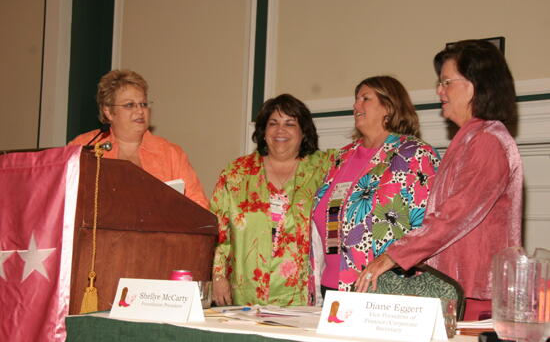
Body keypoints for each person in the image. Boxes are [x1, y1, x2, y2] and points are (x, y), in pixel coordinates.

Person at [358, 40, 523, 321]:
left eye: (447, 82)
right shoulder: (471, 138)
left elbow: (454, 215)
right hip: (457, 290)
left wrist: (394, 255)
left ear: (475, 84)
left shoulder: (487, 141)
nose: (439, 90)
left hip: (474, 295)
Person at [310, 76, 440, 301]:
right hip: (330, 287)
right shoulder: (342, 156)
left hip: (384, 290)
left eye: (365, 98)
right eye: (356, 99)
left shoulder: (415, 154)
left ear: (388, 106)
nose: (355, 105)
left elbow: (430, 226)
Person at [211, 94, 334, 306]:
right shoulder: (236, 173)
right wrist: (217, 275)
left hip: (301, 295)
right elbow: (218, 230)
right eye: (273, 123)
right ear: (263, 131)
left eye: (290, 124)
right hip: (245, 292)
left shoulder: (325, 168)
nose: (280, 130)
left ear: (303, 132)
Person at [69, 69, 208, 208]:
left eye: (143, 104)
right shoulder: (84, 146)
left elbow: (199, 206)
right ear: (109, 112)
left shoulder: (171, 154)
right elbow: (63, 197)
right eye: (130, 105)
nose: (140, 111)